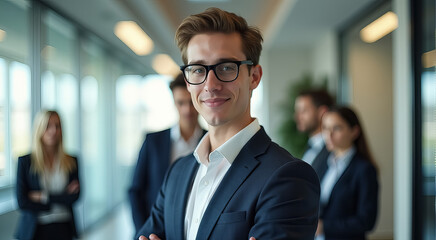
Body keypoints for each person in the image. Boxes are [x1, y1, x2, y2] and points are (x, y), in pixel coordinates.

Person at [136, 7, 320, 240]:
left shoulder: (288, 176)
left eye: (226, 68)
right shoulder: (178, 172)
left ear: (254, 77)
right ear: (188, 81)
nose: (210, 84)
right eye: (198, 69)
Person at [129, 73, 206, 233]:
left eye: (191, 102)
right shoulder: (153, 141)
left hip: (199, 228)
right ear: (174, 103)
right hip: (157, 228)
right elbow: (135, 190)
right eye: (180, 103)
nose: (187, 109)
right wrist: (143, 230)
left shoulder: (212, 142)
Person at [15, 110, 80, 240]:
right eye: (48, 126)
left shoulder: (71, 160)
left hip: (64, 227)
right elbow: (22, 201)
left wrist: (43, 196)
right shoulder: (25, 162)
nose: (53, 131)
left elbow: (75, 196)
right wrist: (61, 199)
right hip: (35, 229)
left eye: (57, 126)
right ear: (39, 129)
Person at [316, 106, 378, 240]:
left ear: (354, 131)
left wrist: (324, 227)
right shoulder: (323, 163)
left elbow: (366, 221)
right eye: (325, 128)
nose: (329, 135)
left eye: (337, 128)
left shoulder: (364, 170)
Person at [294, 89, 334, 180]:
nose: (296, 117)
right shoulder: (309, 147)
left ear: (322, 112)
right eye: (297, 111)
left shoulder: (333, 150)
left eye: (303, 111)